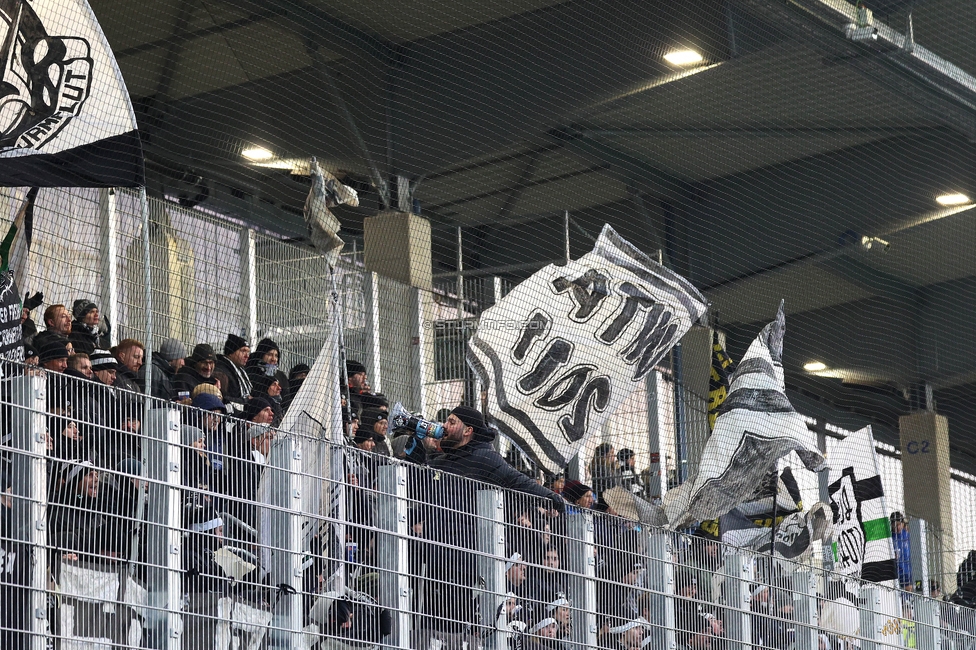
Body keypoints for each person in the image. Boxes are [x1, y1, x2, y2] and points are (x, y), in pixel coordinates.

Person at [215, 334, 252, 412]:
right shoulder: (221, 371)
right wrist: (246, 400)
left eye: (248, 352)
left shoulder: (241, 372)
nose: (247, 356)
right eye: (243, 351)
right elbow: (222, 398)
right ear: (231, 352)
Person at [891, 511, 913, 589]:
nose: (897, 528)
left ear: (902, 524)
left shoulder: (907, 534)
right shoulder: (891, 538)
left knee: (911, 590)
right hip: (898, 572)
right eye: (895, 526)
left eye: (899, 525)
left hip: (909, 570)